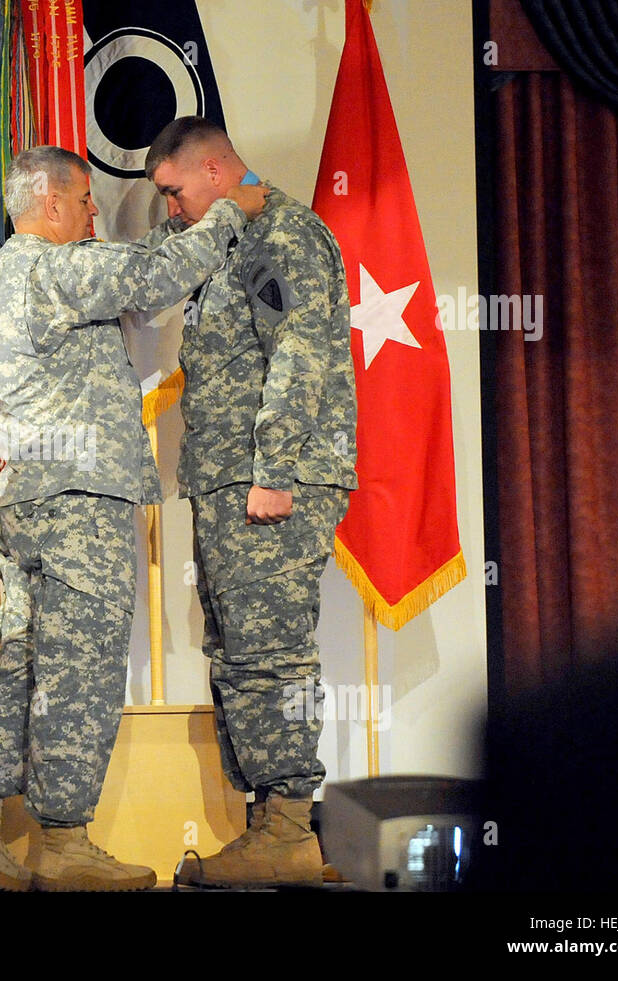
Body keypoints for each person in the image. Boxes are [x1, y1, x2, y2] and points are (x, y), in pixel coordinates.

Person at [0, 145, 268, 892]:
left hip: (28, 502)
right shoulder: (49, 266)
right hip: (80, 502)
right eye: (85, 201)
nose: (94, 214)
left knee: (22, 665)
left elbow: (130, 274)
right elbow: (149, 279)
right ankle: (63, 841)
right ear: (51, 205)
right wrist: (223, 213)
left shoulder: (15, 277)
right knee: (80, 671)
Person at [143, 116, 358, 889]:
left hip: (272, 480)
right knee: (236, 651)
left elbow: (300, 352)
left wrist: (274, 469)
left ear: (211, 169)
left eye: (173, 191)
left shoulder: (285, 235)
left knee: (272, 651)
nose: (170, 207)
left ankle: (291, 825)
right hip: (229, 479)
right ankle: (267, 824)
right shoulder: (226, 239)